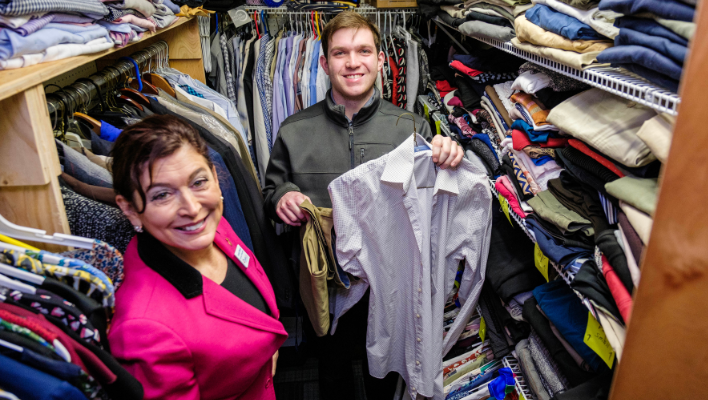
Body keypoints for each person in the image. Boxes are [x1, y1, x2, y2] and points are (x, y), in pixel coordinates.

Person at [263, 11, 464, 399]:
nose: (353, 62)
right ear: (324, 63)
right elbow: (271, 191)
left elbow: (436, 202)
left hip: (389, 282)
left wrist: (447, 156)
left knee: (386, 371)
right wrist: (282, 196)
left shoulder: (410, 127)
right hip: (326, 280)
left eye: (363, 51)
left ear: (378, 59)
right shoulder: (294, 130)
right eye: (340, 53)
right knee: (331, 367)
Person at [108, 115, 288, 400]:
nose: (191, 208)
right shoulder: (142, 329)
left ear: (216, 178)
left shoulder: (213, 229)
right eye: (162, 195)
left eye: (198, 182)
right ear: (130, 209)